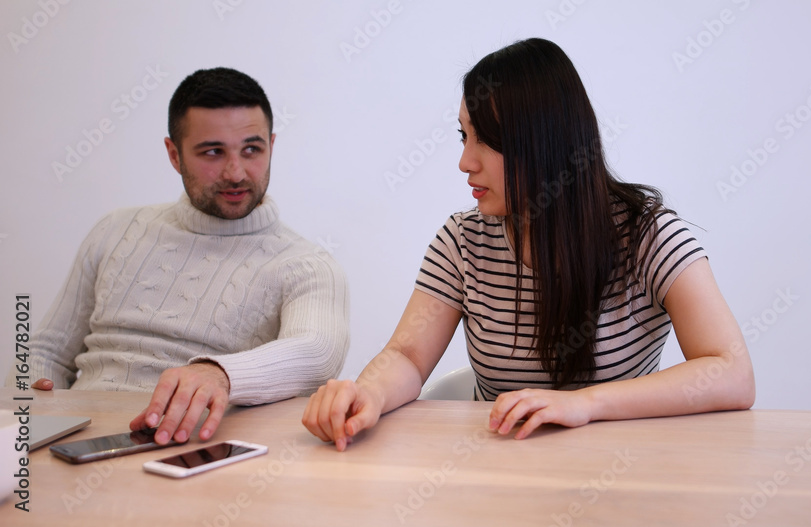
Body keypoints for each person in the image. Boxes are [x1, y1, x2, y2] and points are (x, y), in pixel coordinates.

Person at [302, 38, 754, 451]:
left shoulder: (648, 235)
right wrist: (368, 393)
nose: (464, 161)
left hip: (619, 475)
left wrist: (586, 404)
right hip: (501, 476)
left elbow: (731, 371)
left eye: (486, 140)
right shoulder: (463, 240)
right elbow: (407, 356)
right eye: (463, 136)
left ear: (545, 144)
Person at [6, 67, 350, 446]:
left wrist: (219, 374)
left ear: (271, 146)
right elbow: (46, 351)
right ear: (174, 154)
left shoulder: (307, 264)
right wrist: (30, 407)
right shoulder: (115, 229)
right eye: (213, 152)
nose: (236, 172)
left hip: (187, 447)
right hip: (72, 441)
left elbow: (318, 352)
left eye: (252, 150)